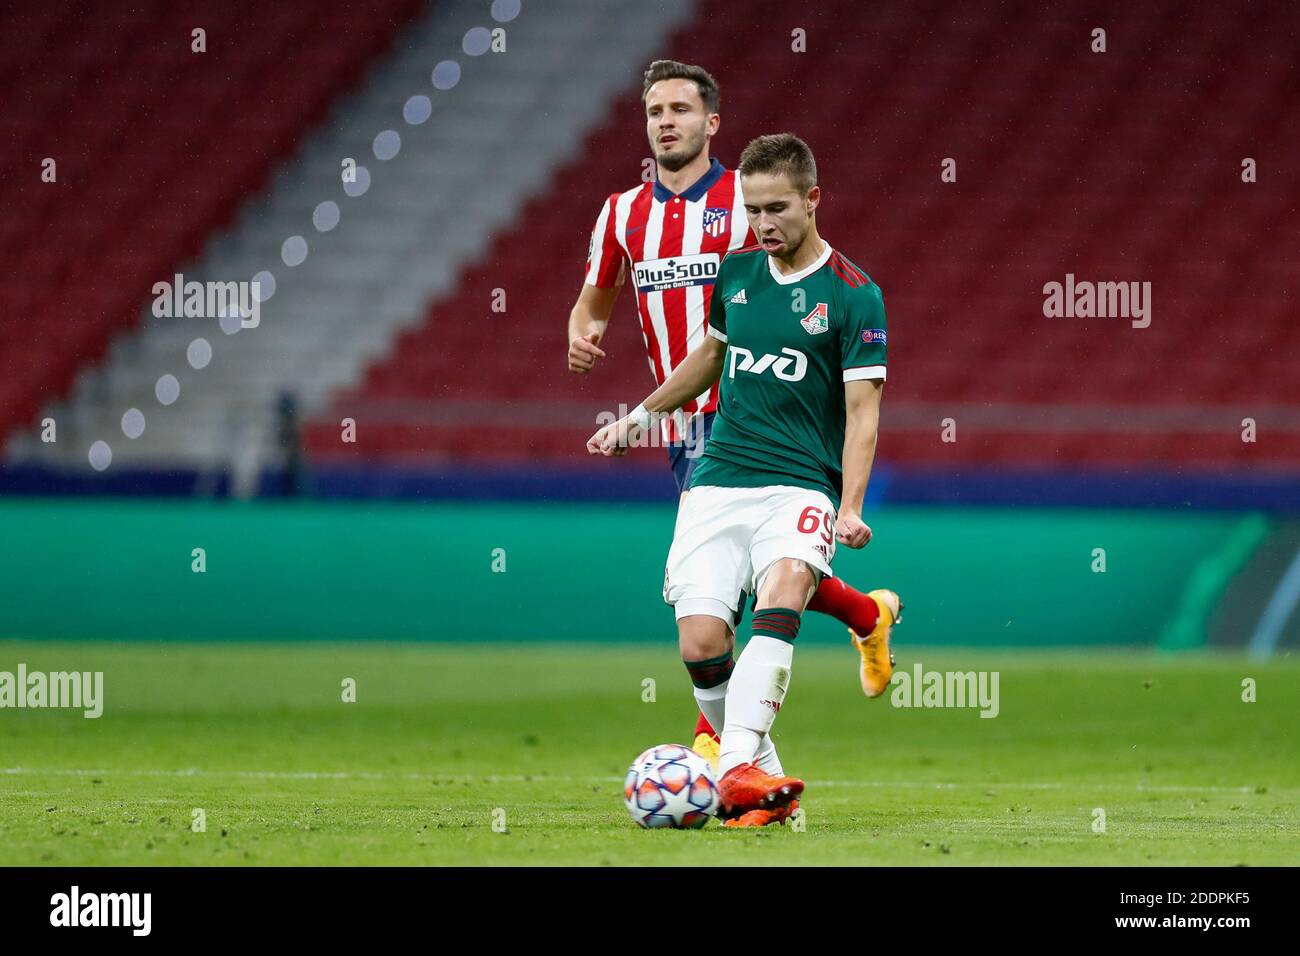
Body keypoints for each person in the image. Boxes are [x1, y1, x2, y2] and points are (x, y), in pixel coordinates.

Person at [567, 62, 899, 772]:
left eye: (681, 108)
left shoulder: (762, 213)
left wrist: (851, 504)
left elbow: (862, 407)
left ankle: (728, 747)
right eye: (655, 109)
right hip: (692, 423)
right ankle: (866, 619)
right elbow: (601, 303)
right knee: (721, 600)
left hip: (768, 429)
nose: (666, 121)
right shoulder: (625, 213)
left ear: (711, 122)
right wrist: (597, 355)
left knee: (768, 580)